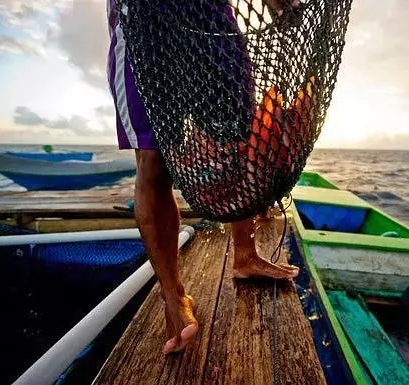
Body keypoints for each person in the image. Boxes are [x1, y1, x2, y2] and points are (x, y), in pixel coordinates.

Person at [106, 0, 300, 355]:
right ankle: (173, 295)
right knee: (152, 160)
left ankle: (245, 254)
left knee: (240, 138)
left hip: (210, 15)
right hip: (142, 22)